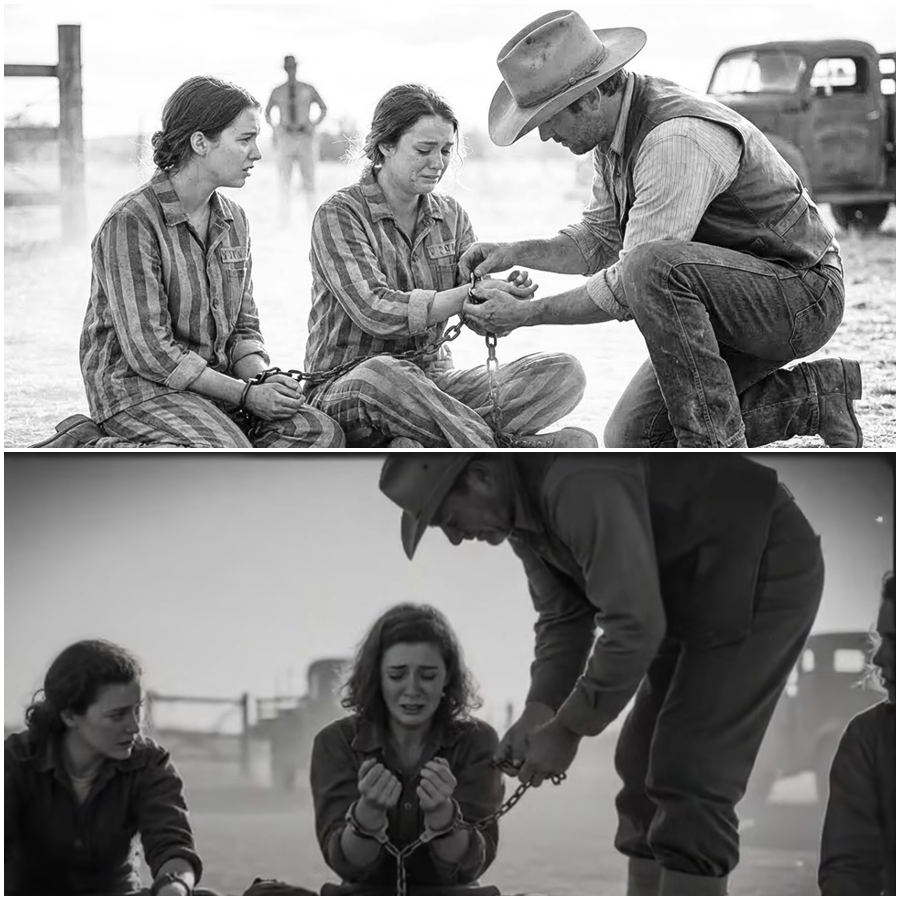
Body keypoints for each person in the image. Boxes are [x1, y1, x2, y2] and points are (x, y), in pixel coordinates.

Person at [380, 454, 826, 895]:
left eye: (449, 519)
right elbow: (563, 617)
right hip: (683, 593)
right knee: (639, 760)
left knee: (691, 769)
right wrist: (541, 709)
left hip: (758, 557)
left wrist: (570, 729)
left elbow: (634, 624)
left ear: (480, 475)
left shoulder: (577, 484)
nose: (456, 538)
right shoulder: (521, 521)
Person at [458, 10, 863, 449]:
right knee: (634, 438)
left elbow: (631, 281)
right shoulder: (610, 134)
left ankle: (711, 451)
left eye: (551, 118)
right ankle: (817, 398)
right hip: (730, 299)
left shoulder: (674, 140)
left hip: (799, 297)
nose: (543, 135)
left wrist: (526, 315)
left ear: (591, 97)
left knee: (650, 268)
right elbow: (599, 240)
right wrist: (513, 251)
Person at [32, 75, 344, 449]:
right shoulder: (132, 222)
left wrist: (262, 381)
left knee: (321, 433)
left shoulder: (234, 220)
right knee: (228, 453)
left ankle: (227, 470)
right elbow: (152, 354)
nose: (257, 153)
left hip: (219, 388)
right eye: (245, 139)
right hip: (137, 391)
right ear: (200, 142)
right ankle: (86, 445)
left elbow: (244, 328)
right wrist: (245, 396)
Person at [303, 82, 596, 448]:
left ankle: (430, 443)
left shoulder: (452, 216)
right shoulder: (340, 214)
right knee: (384, 375)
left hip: (437, 387)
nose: (438, 163)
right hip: (352, 388)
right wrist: (469, 292)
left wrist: (501, 299)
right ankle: (501, 449)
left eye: (445, 150)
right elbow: (374, 310)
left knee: (564, 373)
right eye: (424, 150)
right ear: (385, 146)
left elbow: (474, 314)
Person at [309, 603, 504, 893]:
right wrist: (368, 816)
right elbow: (345, 865)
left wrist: (443, 817)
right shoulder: (335, 742)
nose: (412, 689)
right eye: (397, 675)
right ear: (376, 676)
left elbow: (471, 866)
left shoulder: (477, 741)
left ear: (448, 676)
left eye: (427, 675)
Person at [4, 639, 216, 896]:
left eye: (137, 710)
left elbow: (172, 844)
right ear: (70, 715)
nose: (135, 726)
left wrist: (175, 887)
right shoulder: (15, 761)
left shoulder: (149, 763)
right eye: (117, 715)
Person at [819, 572, 895, 896]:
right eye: (882, 637)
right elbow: (848, 873)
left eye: (896, 638)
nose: (878, 657)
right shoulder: (869, 736)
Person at [265, 55, 327, 197]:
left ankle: (312, 214)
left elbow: (324, 108)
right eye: (288, 67)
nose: (291, 70)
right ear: (285, 69)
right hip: (285, 138)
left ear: (296, 67)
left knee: (309, 180)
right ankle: (284, 217)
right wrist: (276, 129)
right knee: (284, 180)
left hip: (305, 137)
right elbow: (267, 113)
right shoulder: (277, 91)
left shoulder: (309, 88)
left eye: (293, 66)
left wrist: (313, 125)